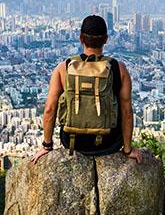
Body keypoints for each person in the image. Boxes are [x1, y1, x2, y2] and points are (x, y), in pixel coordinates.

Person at [32, 15, 142, 164]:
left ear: (81, 38)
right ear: (106, 39)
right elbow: (127, 111)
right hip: (108, 143)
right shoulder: (118, 68)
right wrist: (128, 149)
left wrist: (47, 146)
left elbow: (50, 109)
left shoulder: (64, 67)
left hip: (73, 142)